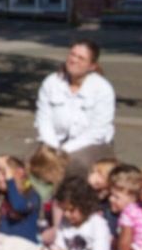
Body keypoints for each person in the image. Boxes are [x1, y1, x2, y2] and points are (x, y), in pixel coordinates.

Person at [34, 39, 116, 174]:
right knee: (31, 160)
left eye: (81, 58)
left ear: (92, 66)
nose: (74, 60)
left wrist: (64, 151)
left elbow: (97, 132)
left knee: (74, 164)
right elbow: (43, 119)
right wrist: (53, 148)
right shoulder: (52, 82)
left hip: (91, 144)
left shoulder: (102, 89)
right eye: (72, 55)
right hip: (55, 141)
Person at [17, 176, 112, 250]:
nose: (66, 214)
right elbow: (59, 248)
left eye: (71, 210)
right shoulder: (65, 222)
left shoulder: (98, 224)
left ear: (85, 205)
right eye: (64, 210)